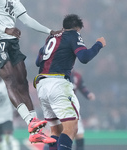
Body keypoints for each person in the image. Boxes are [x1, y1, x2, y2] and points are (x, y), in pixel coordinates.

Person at [0, 0, 59, 144]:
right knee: (10, 79)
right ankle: (30, 121)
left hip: (11, 40)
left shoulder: (14, 1)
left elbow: (26, 20)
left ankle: (36, 132)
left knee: (22, 81)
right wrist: (5, 29)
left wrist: (49, 31)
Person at [34, 14, 106, 150]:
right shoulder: (73, 34)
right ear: (76, 28)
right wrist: (98, 44)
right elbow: (84, 57)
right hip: (58, 84)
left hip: (42, 85)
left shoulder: (51, 37)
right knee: (71, 128)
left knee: (55, 131)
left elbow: (38, 61)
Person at [43, 70, 96, 150]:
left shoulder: (77, 76)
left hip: (72, 108)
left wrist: (88, 94)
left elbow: (83, 88)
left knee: (79, 135)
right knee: (55, 133)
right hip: (58, 108)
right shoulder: (56, 75)